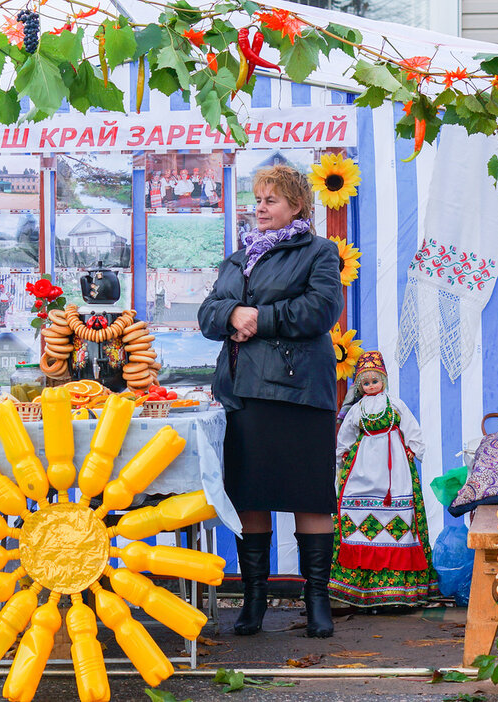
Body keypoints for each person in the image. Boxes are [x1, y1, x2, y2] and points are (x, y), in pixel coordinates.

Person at [198, 164, 343, 638]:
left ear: (296, 206)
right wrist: (231, 312)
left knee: (309, 493)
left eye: (270, 200)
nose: (259, 208)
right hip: (244, 393)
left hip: (301, 393)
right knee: (250, 494)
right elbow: (208, 313)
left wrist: (258, 317)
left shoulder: (321, 252)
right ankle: (255, 598)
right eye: (257, 200)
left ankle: (316, 598)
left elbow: (321, 310)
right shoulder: (238, 259)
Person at [331, 351, 438, 608]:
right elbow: (345, 435)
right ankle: (359, 590)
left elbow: (411, 426)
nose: (370, 386)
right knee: (359, 518)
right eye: (365, 383)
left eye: (374, 381)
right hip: (364, 466)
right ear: (360, 385)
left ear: (383, 380)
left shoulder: (395, 404)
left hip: (395, 467)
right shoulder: (357, 409)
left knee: (398, 520)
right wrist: (343, 454)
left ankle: (400, 592)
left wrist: (414, 447)